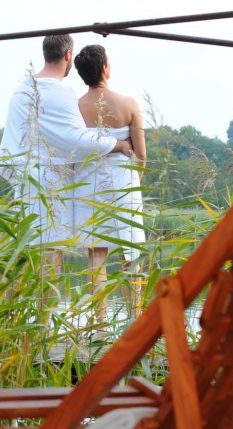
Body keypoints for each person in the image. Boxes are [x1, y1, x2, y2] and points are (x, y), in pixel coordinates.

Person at [0, 35, 134, 266]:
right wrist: (119, 145)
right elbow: (78, 140)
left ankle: (21, 302)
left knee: (25, 258)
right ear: (68, 55)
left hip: (25, 183)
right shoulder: (62, 93)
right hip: (51, 187)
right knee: (51, 259)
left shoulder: (21, 91)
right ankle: (46, 304)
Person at [72, 44, 146, 316]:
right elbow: (142, 154)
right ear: (105, 68)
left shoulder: (75, 107)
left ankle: (99, 326)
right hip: (124, 180)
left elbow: (74, 146)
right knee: (131, 252)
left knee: (97, 253)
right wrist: (133, 179)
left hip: (89, 180)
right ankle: (135, 321)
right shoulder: (129, 104)